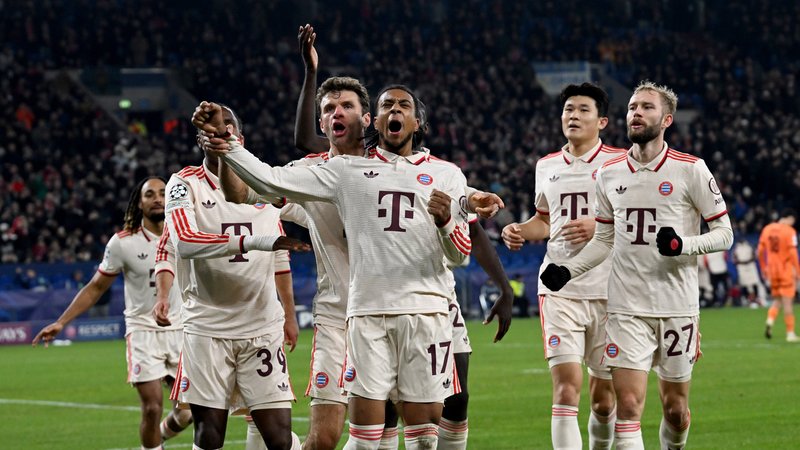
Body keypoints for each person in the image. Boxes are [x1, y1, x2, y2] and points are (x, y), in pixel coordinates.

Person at [193, 84, 503, 450]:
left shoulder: (428, 171)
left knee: (426, 426)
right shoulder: (333, 172)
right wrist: (225, 143)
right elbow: (256, 185)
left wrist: (461, 208)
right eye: (329, 109)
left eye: (347, 106)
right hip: (353, 314)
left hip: (423, 307)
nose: (337, 113)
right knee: (342, 436)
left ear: (369, 119)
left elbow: (451, 233)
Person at [540, 80, 733, 450]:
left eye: (646, 107)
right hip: (626, 307)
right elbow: (604, 240)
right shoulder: (609, 173)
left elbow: (724, 233)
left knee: (676, 410)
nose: (637, 113)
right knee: (628, 406)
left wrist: (682, 245)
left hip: (677, 306)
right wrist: (568, 271)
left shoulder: (691, 170)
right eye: (632, 107)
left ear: (667, 119)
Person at [152, 104, 311, 450]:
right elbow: (186, 242)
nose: (221, 132)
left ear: (240, 137)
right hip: (207, 328)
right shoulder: (183, 184)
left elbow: (281, 256)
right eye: (212, 129)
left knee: (280, 438)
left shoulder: (266, 185)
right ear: (200, 139)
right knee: (209, 437)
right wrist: (256, 241)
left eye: (228, 127)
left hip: (262, 327)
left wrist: (289, 314)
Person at [502, 82, 623, 450]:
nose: (573, 115)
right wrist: (520, 229)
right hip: (559, 289)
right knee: (566, 388)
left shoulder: (621, 163)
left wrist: (602, 225)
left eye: (583, 110)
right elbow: (545, 221)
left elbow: (635, 221)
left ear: (601, 121)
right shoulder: (547, 165)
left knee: (603, 400)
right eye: (568, 109)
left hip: (609, 291)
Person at [32, 176, 192, 450]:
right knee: (152, 407)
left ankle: (156, 440)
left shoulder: (186, 234)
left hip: (183, 331)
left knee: (189, 412)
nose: (157, 198)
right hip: (143, 331)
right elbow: (96, 287)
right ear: (139, 203)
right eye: (149, 194)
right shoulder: (122, 243)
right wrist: (61, 322)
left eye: (163, 193)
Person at [758, 208, 800, 341]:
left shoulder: (767, 229)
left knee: (777, 300)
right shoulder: (790, 231)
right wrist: (798, 272)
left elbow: (759, 251)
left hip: (772, 271)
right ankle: (790, 333)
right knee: (788, 302)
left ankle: (770, 320)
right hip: (786, 270)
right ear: (790, 218)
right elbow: (793, 253)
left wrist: (764, 267)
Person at [732, 238, 765, 307]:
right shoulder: (736, 249)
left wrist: (748, 261)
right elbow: (734, 260)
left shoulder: (749, 246)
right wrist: (743, 262)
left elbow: (754, 256)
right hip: (742, 268)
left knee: (756, 283)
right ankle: (750, 300)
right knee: (746, 285)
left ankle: (758, 299)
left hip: (751, 266)